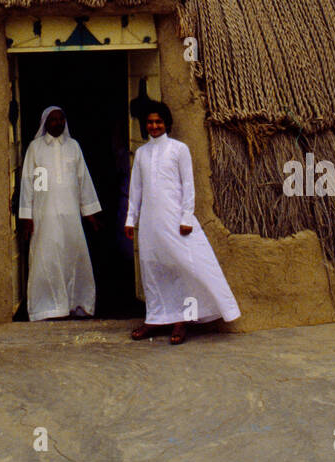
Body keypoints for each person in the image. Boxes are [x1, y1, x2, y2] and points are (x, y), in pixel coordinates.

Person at [126, 102, 240, 344]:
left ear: (167, 123)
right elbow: (136, 189)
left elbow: (188, 185)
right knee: (152, 267)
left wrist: (186, 217)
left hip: (175, 220)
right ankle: (155, 318)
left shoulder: (179, 149)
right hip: (149, 223)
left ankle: (181, 321)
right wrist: (130, 219)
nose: (154, 126)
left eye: (158, 122)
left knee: (183, 266)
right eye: (150, 122)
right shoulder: (142, 153)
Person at [18, 105, 102, 321]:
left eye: (61, 119)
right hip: (45, 215)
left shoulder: (73, 147)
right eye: (53, 120)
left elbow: (83, 180)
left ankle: (77, 304)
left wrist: (90, 213)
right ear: (45, 123)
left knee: (73, 256)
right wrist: (27, 217)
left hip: (70, 215)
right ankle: (47, 307)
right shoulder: (36, 148)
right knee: (47, 258)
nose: (58, 123)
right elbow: (29, 184)